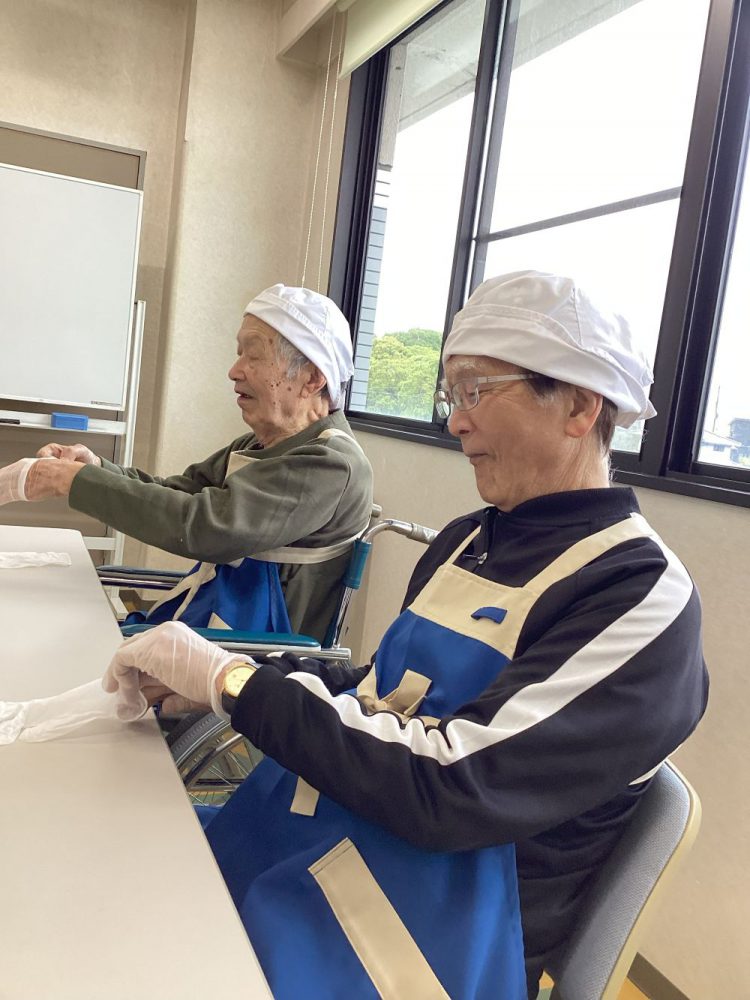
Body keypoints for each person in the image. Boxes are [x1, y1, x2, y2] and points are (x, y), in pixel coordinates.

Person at [103, 271, 708, 999]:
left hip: (417, 942)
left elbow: (451, 785)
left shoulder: (636, 593)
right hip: (323, 850)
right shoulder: (468, 542)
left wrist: (236, 685)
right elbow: (378, 692)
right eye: (452, 395)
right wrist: (217, 673)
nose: (456, 422)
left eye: (477, 390)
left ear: (580, 406)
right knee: (108, 877)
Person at [0, 285, 374, 644]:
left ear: (312, 378)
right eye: (239, 354)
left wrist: (75, 482)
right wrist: (95, 468)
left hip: (256, 657)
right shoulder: (262, 444)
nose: (234, 371)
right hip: (215, 627)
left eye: (254, 355)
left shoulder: (331, 465)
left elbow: (207, 527)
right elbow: (179, 492)